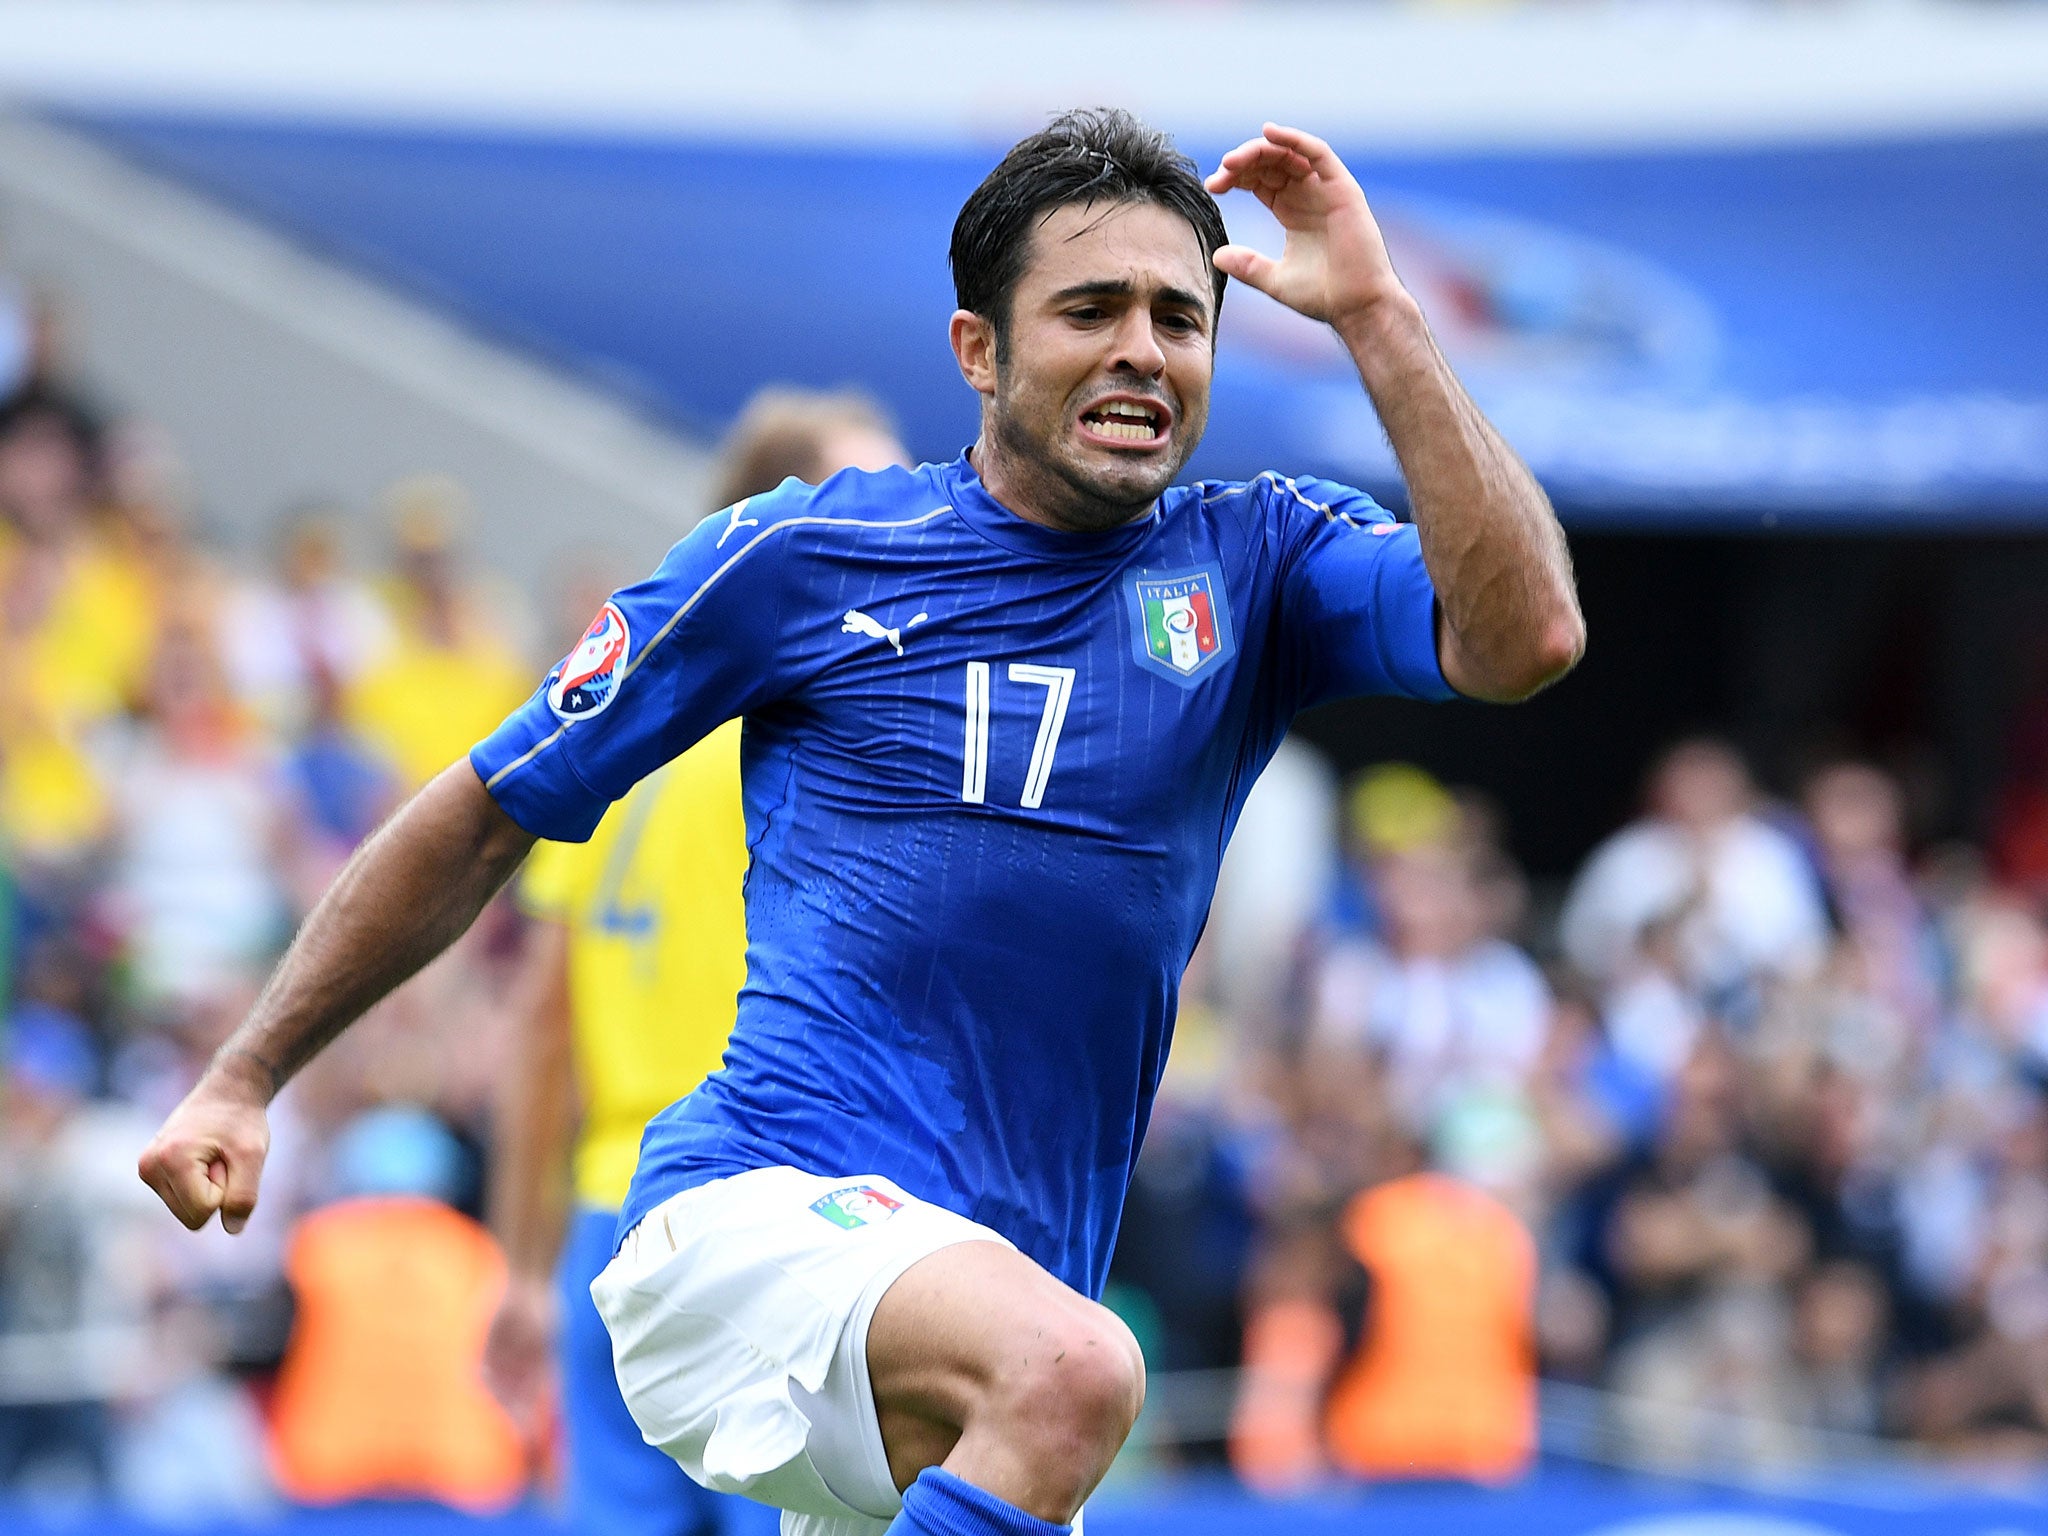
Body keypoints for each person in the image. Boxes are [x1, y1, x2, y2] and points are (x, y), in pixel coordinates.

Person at [139, 111, 1583, 1536]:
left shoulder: (1259, 563)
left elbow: (1525, 638)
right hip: (752, 1221)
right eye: (1090, 309)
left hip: (966, 1339)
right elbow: (483, 813)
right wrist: (246, 1075)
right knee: (1079, 1368)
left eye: (1178, 316)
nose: (1144, 347)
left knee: (1054, 1369)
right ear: (979, 351)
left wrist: (1380, 316)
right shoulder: (806, 554)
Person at [482, 391, 907, 1536]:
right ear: (761, 523)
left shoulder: (618, 738)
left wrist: (522, 1268)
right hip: (777, 1229)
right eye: (856, 500)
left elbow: (539, 1029)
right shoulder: (822, 740)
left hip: (603, 1226)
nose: (908, 527)